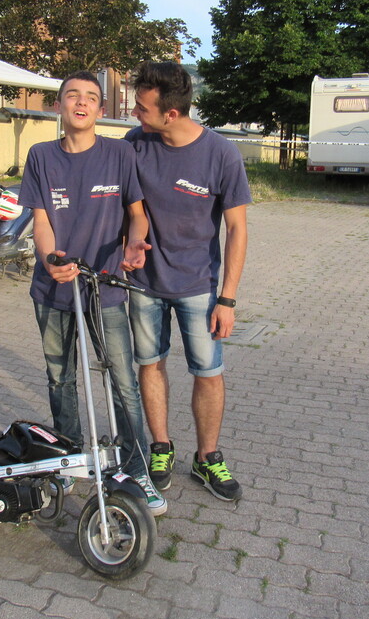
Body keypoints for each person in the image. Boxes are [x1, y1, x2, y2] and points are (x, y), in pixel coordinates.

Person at [18, 70, 165, 515]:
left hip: (106, 290)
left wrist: (135, 242)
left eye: (90, 97)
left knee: (122, 381)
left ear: (101, 109)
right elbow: (41, 221)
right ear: (58, 105)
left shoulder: (119, 154)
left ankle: (136, 468)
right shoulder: (41, 156)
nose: (81, 103)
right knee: (60, 379)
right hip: (53, 291)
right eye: (72, 95)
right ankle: (68, 457)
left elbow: (137, 215)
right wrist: (49, 260)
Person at [125, 61, 251, 502]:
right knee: (150, 364)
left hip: (199, 286)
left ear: (172, 113)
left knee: (209, 373)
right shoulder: (135, 144)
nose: (135, 113)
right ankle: (160, 448)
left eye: (142, 108)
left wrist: (227, 299)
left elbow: (237, 229)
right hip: (144, 284)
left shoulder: (221, 154)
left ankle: (207, 457)